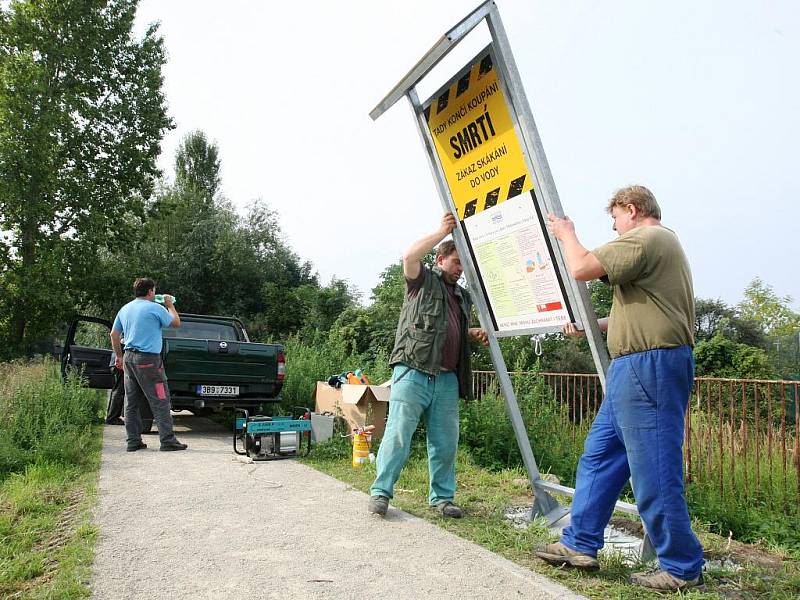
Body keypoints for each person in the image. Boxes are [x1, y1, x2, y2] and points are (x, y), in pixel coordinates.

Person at [536, 185, 704, 592]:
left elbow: (582, 267)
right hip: (634, 366)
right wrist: (591, 328)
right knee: (600, 457)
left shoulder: (647, 237)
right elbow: (641, 312)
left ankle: (682, 565)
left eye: (614, 219)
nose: (614, 228)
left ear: (632, 210)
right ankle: (580, 543)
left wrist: (566, 233)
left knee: (653, 470)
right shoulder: (660, 248)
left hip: (651, 365)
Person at [368, 212, 488, 518]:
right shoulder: (421, 280)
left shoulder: (461, 296)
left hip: (447, 379)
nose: (460, 270)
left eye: (464, 265)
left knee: (445, 442)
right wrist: (441, 230)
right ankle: (381, 493)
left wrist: (471, 334)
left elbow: (448, 330)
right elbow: (409, 254)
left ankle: (442, 499)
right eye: (456, 262)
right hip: (413, 370)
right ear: (441, 258)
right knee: (398, 434)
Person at [110, 277, 188, 452]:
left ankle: (133, 441)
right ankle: (167, 440)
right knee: (160, 399)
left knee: (131, 402)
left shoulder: (125, 308)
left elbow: (114, 334)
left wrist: (119, 356)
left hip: (129, 358)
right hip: (149, 361)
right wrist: (170, 304)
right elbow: (176, 323)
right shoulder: (155, 308)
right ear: (151, 291)